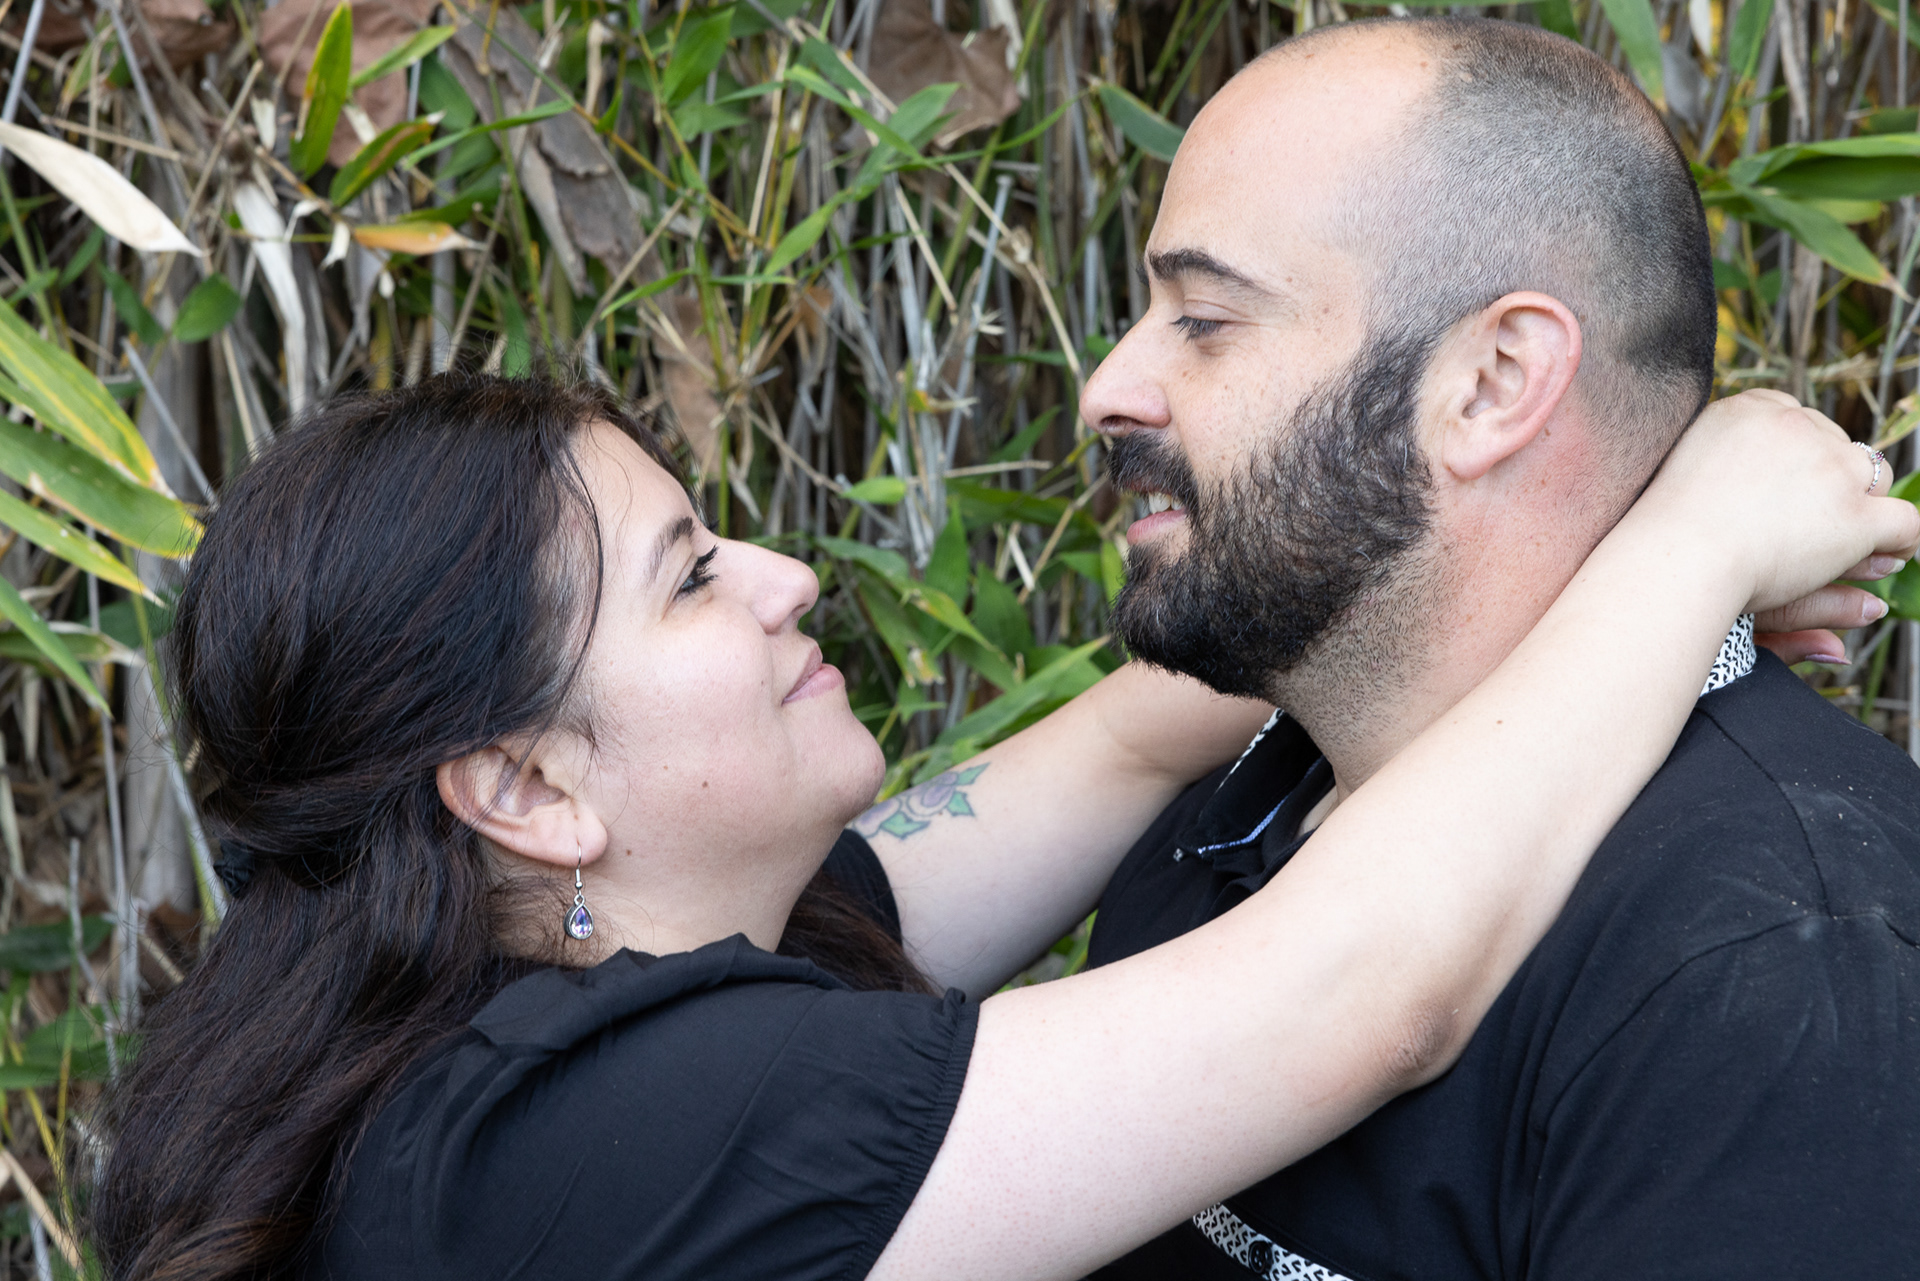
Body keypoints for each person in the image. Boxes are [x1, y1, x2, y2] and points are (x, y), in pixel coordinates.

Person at [88, 371, 1908, 1281]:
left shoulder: (513, 990)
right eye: (692, 576)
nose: (789, 578)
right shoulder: (599, 1139)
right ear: (528, 789)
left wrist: (1545, 545)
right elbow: (1364, 989)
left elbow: (1122, 742)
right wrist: (1698, 543)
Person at [1072, 16, 1920, 1281]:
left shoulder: (1783, 962)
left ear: (1493, 383)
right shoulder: (1243, 791)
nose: (1107, 388)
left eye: (1204, 317)